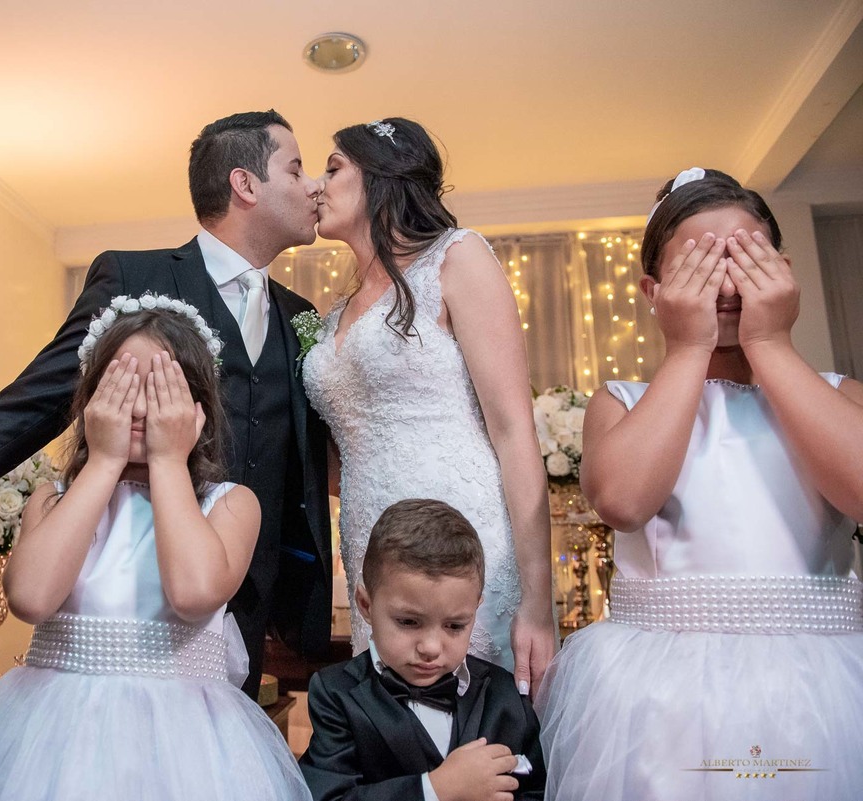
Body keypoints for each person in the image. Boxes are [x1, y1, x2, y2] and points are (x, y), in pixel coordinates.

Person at [0, 110, 332, 697]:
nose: (314, 186)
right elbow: (31, 406)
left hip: (250, 597)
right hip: (132, 589)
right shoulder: (134, 275)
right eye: (296, 167)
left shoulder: (300, 315)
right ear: (245, 184)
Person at [537, 168, 863, 800]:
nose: (726, 281)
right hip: (664, 695)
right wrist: (688, 348)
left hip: (823, 688)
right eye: (699, 267)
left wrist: (770, 339)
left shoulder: (835, 394)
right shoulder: (623, 401)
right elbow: (624, 502)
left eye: (746, 257)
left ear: (783, 270)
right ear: (653, 291)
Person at [0, 297, 312, 800]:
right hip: (52, 737)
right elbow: (31, 599)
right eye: (121, 385)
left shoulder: (230, 505)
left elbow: (194, 594)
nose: (140, 406)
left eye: (160, 388)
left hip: (186, 747)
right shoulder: (53, 500)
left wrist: (169, 460)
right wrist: (103, 462)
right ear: (90, 399)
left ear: (198, 407)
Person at [303, 118, 555, 695]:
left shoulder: (456, 259)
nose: (317, 185)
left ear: (382, 176)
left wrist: (539, 603)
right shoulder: (334, 311)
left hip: (466, 536)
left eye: (334, 168)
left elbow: (515, 430)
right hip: (373, 554)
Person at [299, 499, 545, 801]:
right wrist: (436, 789)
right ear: (366, 604)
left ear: (474, 610)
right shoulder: (336, 694)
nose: (430, 648)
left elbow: (536, 791)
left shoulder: (505, 696)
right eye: (408, 622)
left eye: (454, 626)